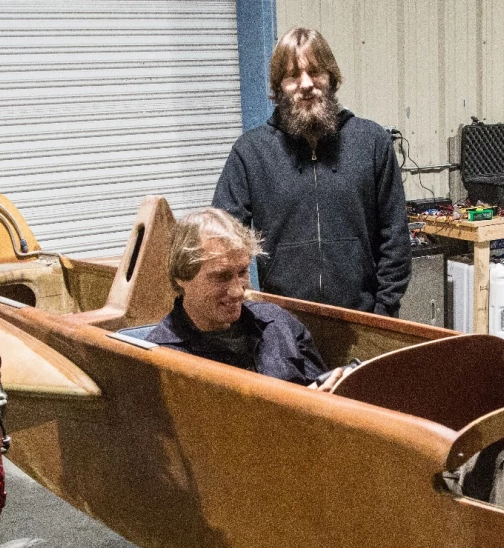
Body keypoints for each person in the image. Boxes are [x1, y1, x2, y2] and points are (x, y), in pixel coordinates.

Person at [212, 27, 411, 316]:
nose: (306, 84)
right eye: (293, 76)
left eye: (315, 72)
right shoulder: (250, 152)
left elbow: (395, 235)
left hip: (364, 318)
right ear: (280, 85)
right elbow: (223, 240)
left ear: (332, 77)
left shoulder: (372, 142)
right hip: (282, 322)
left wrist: (383, 310)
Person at [145, 208, 344, 391]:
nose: (238, 291)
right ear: (182, 276)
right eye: (221, 276)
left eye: (242, 272)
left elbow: (322, 387)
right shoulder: (160, 358)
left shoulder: (278, 322)